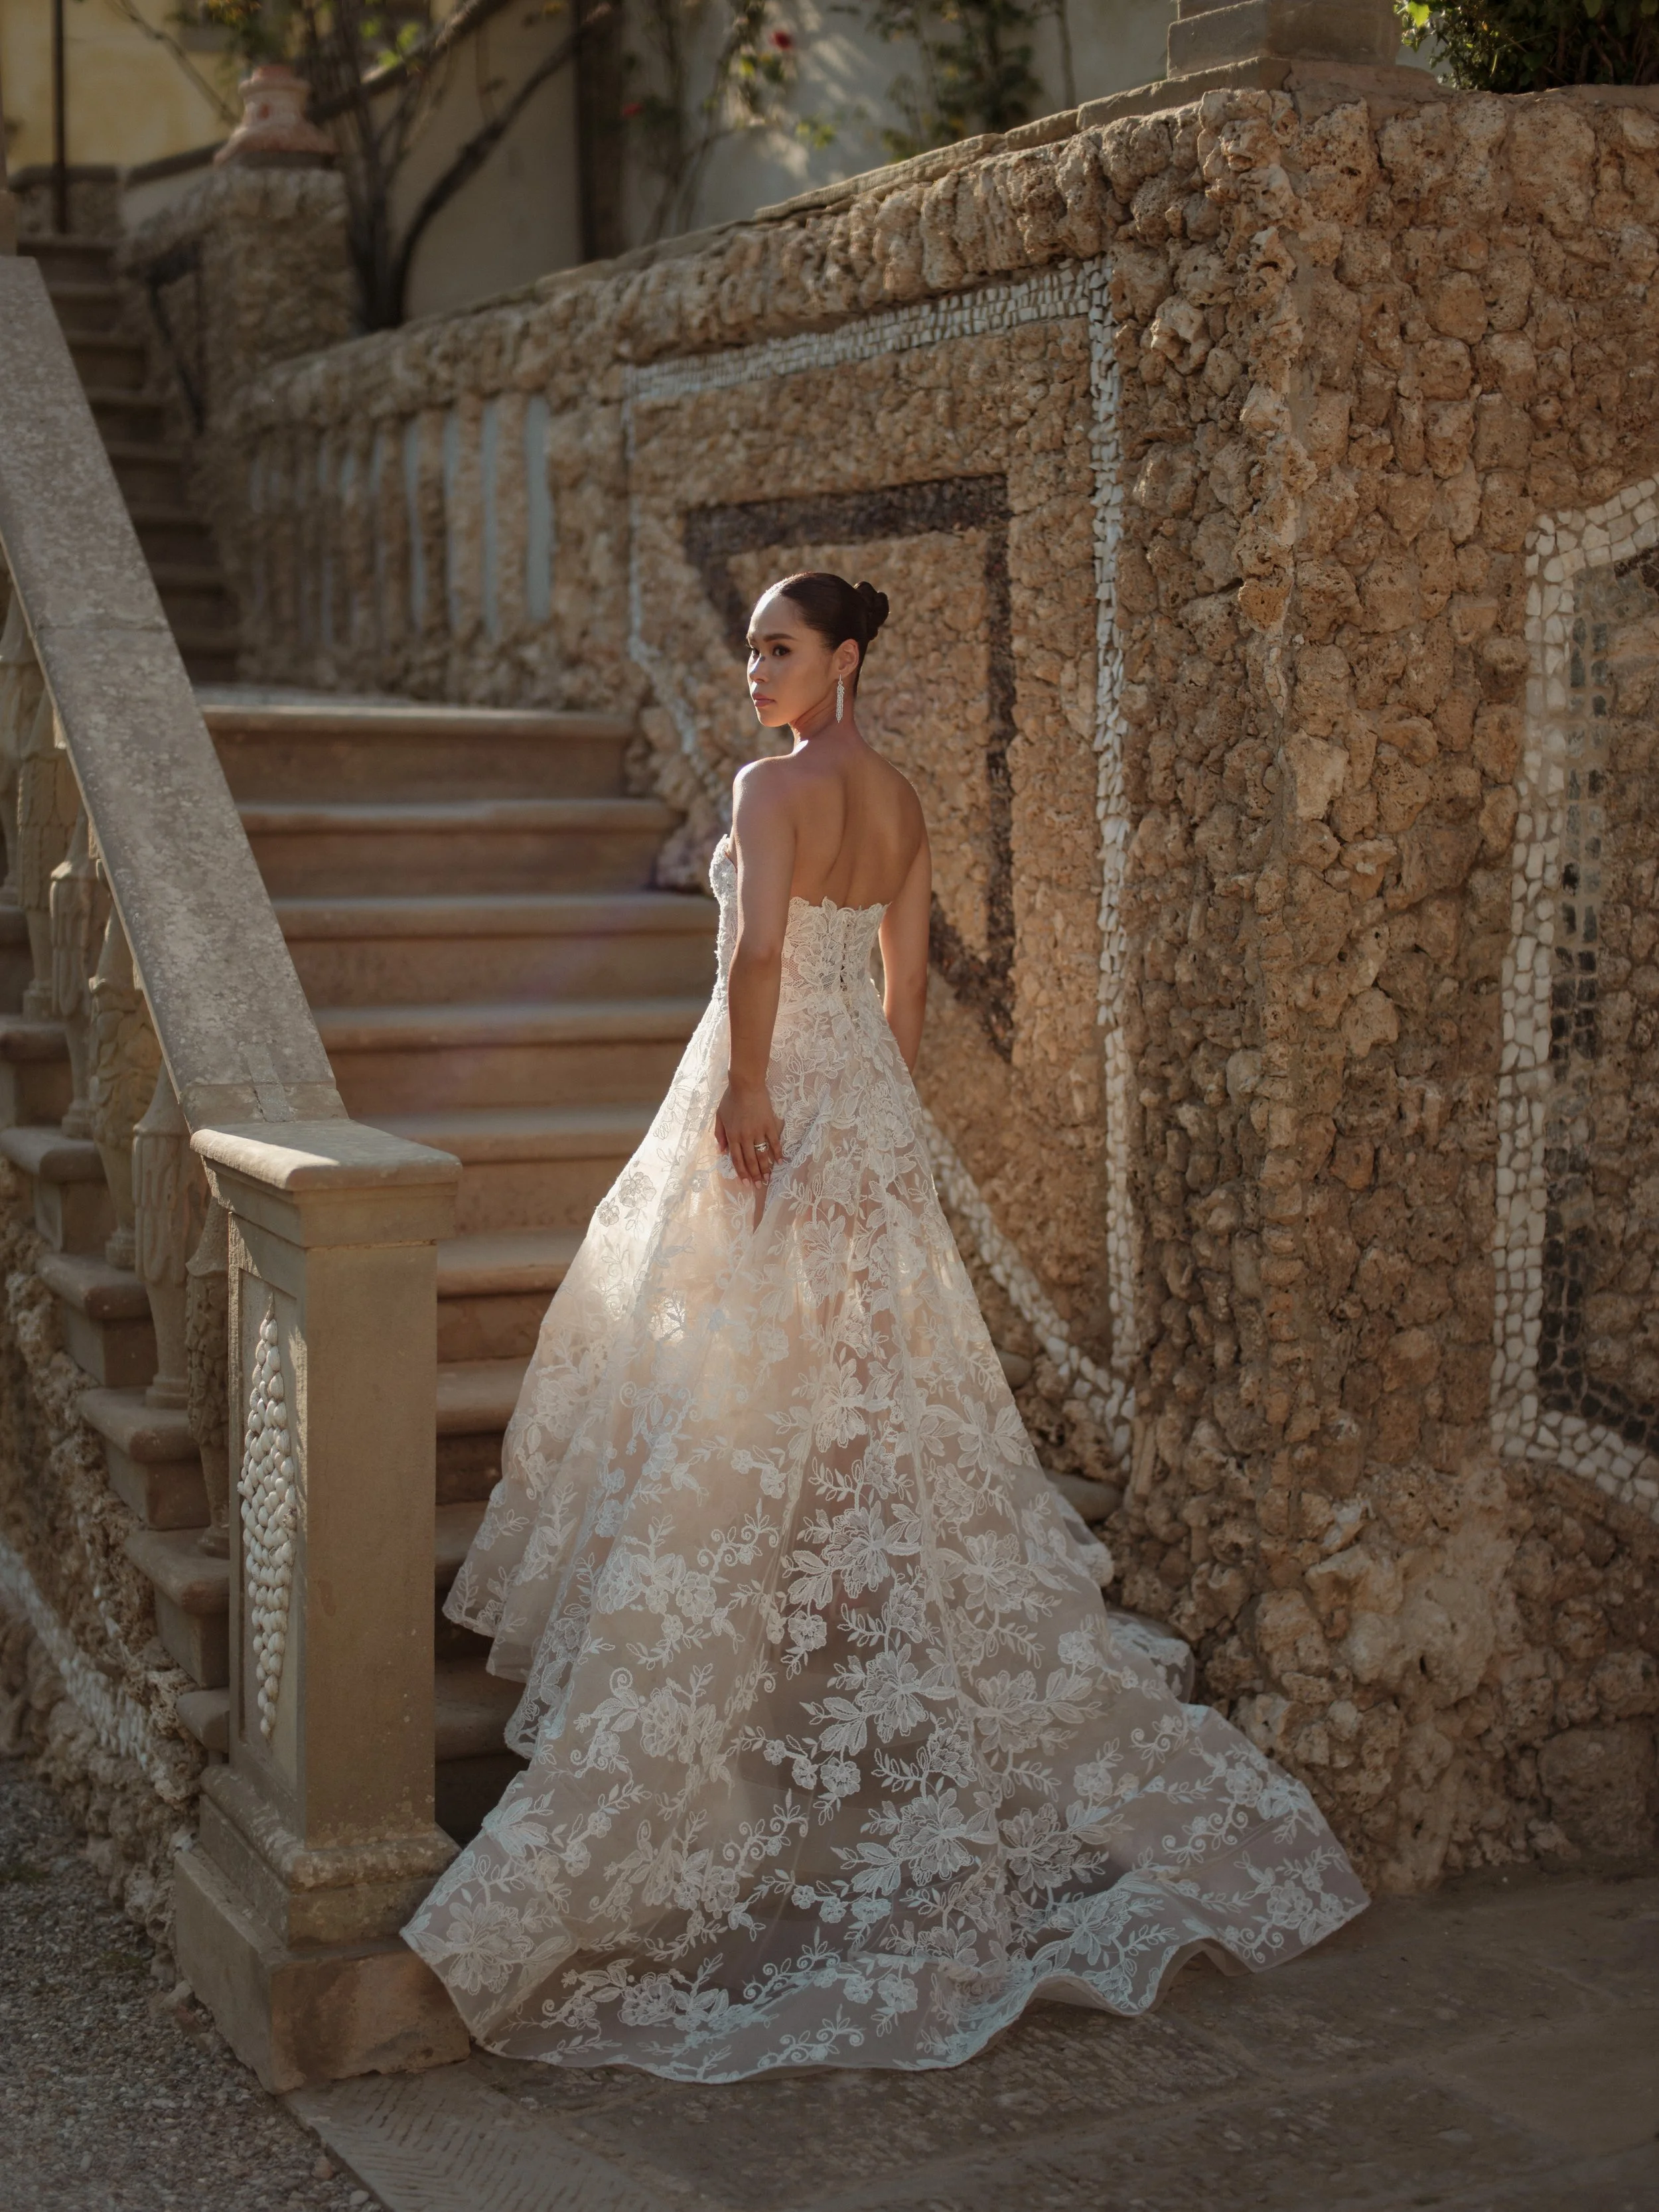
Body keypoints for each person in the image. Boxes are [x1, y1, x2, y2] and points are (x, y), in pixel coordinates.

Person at [401, 572, 1368, 2079]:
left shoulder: (769, 785)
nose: (752, 672)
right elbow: (908, 989)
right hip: (858, 1106)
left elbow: (757, 956)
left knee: (721, 1387)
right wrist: (870, 1118)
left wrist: (746, 1088)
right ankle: (804, 1676)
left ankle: (738, 1710)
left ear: (841, 661)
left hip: (767, 1088)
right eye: (745, 651)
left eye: (778, 650)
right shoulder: (902, 801)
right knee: (836, 1388)